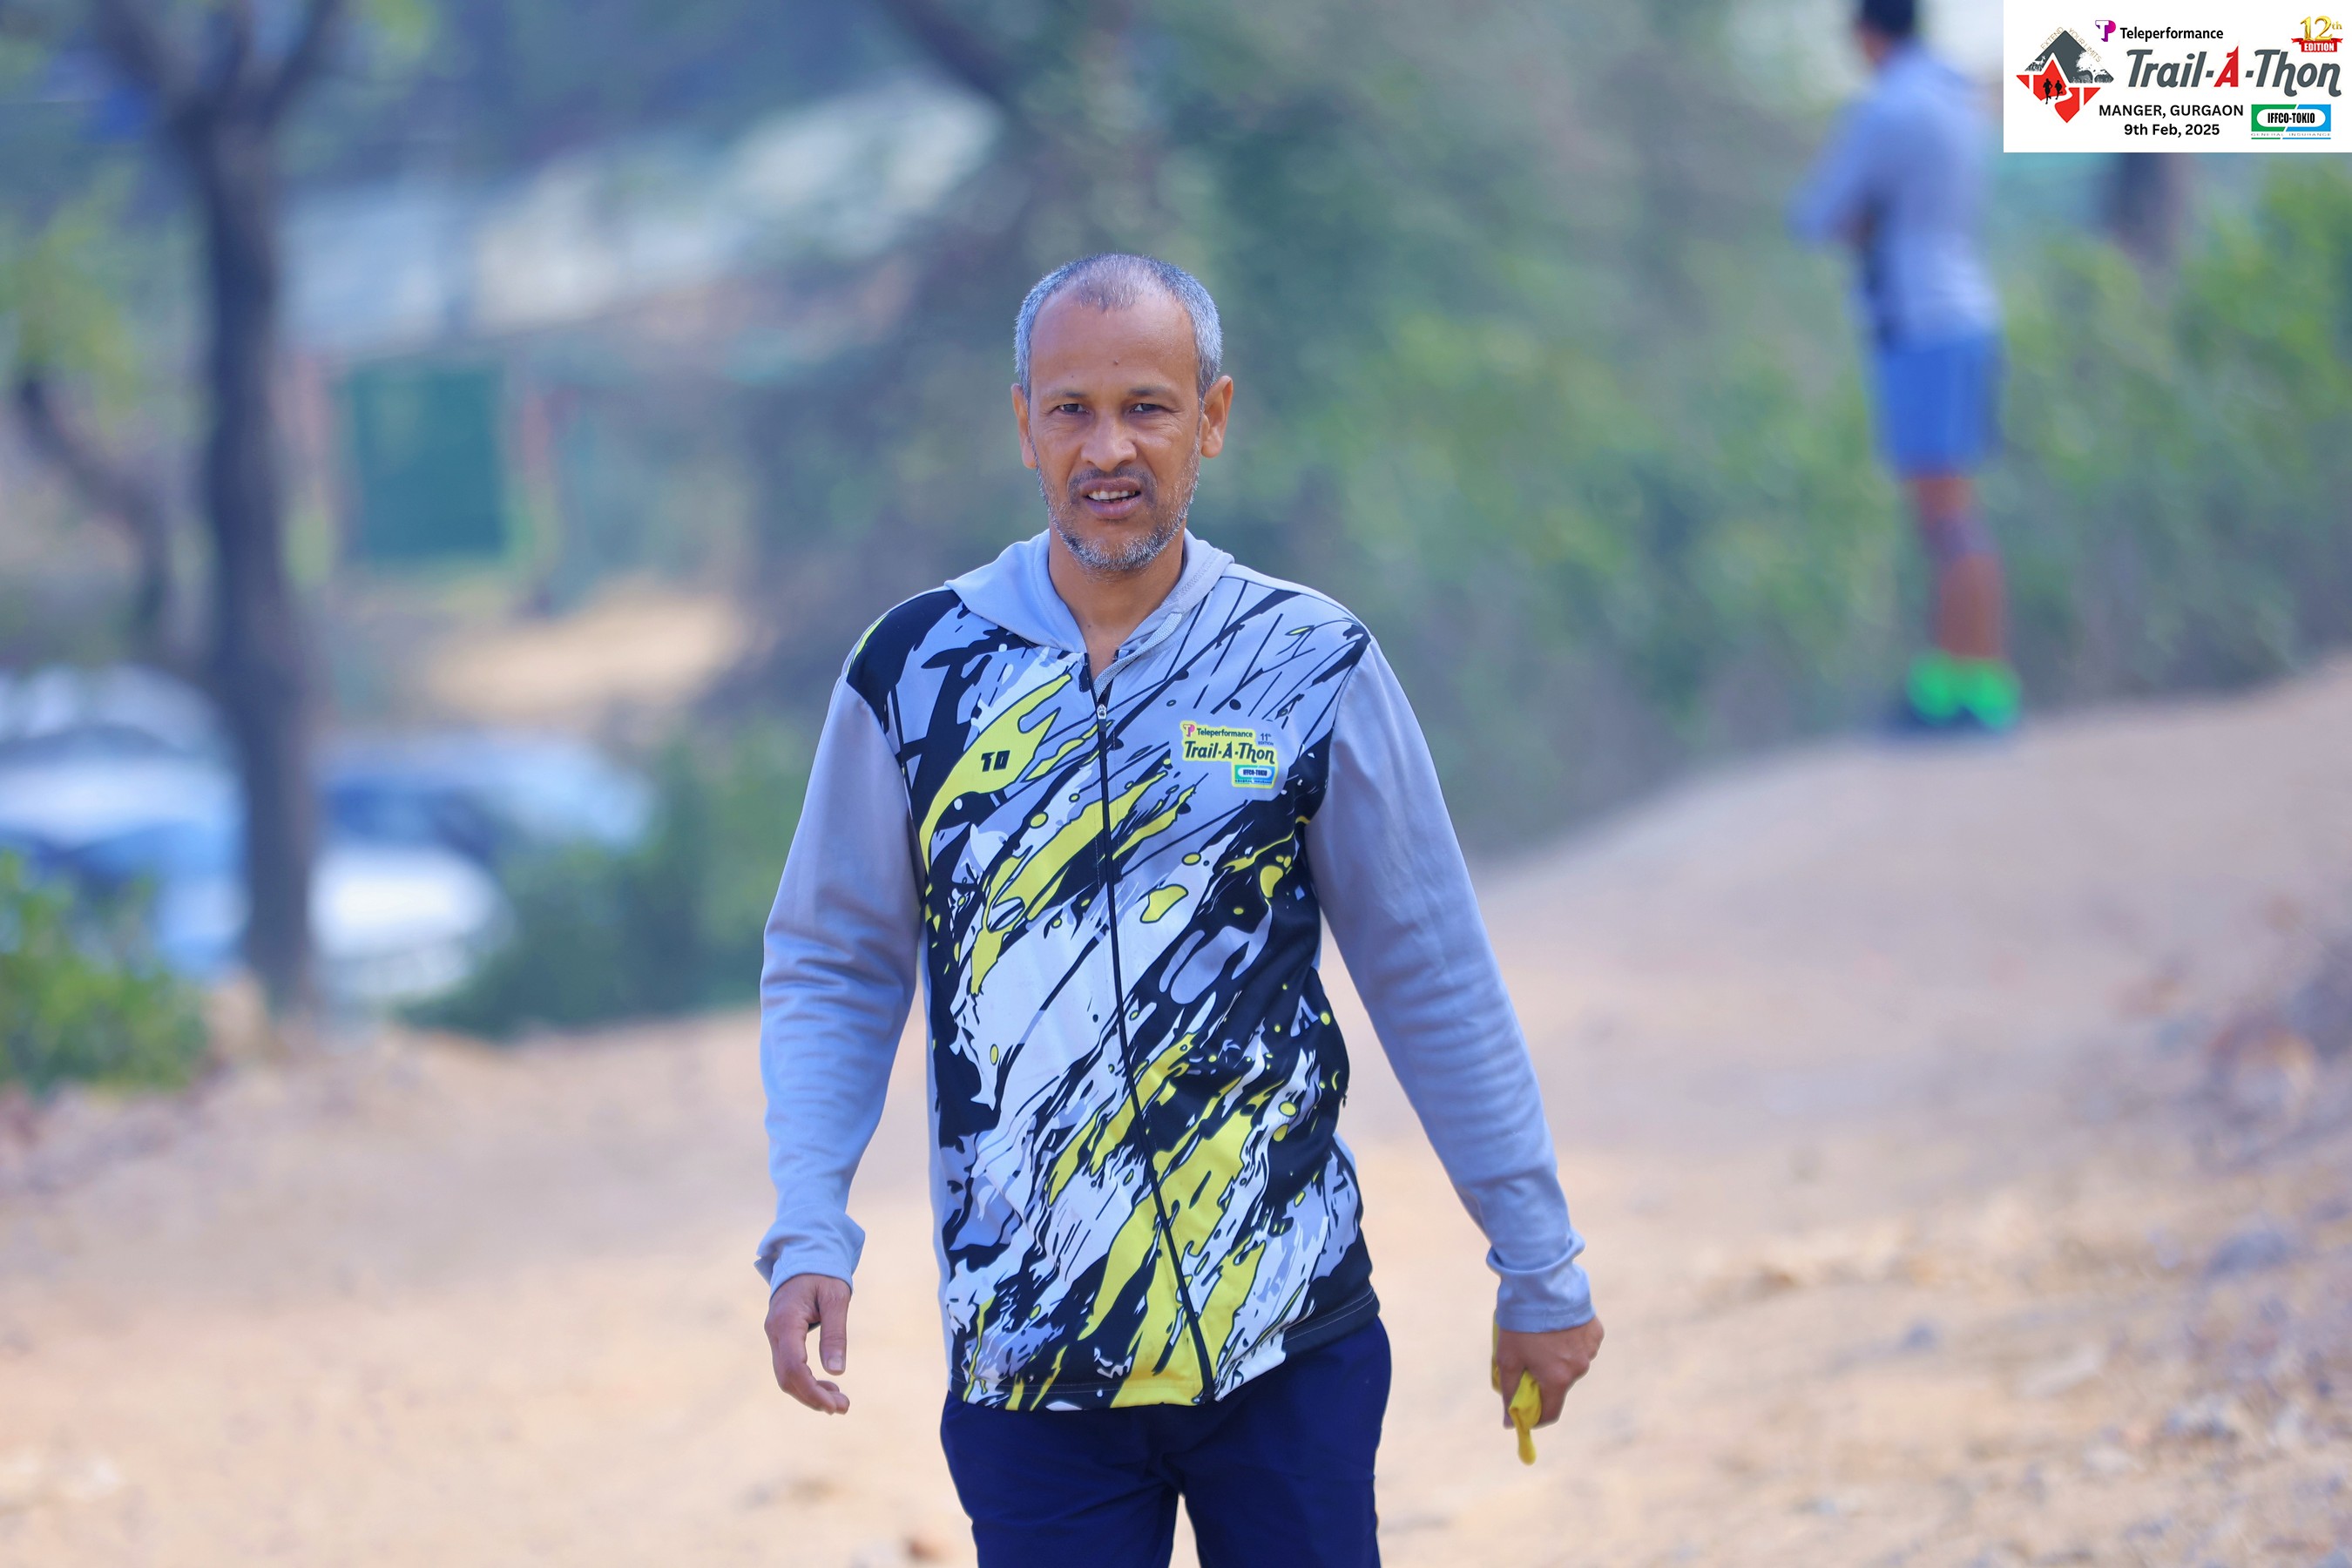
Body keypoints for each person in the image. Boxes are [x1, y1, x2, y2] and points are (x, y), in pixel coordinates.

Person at [754, 253, 1602, 1567]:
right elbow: (833, 961)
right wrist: (811, 1219)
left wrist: (1537, 1261)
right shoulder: (917, 671)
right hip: (1032, 1362)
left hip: (1286, 1339)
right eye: (1071, 410)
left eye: (1147, 407)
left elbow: (1429, 969)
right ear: (1023, 425)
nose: (1108, 449)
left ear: (1211, 418)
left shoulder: (1306, 661)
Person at [1792, 0, 2019, 733]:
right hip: (1969, 311)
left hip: (1921, 321)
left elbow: (1820, 215)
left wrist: (1859, 219)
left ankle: (1968, 691)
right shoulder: (1958, 97)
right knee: (1954, 512)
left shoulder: (1888, 109)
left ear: (1867, 36)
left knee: (1945, 517)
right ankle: (1964, 683)